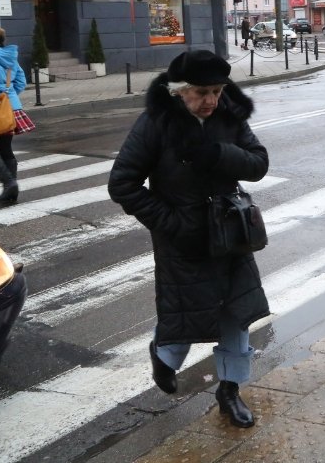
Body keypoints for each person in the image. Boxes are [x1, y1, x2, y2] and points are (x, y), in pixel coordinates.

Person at [108, 50, 270, 428]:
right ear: (180, 91)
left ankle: (229, 390)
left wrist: (219, 153)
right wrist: (171, 222)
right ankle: (163, 357)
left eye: (217, 91)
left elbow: (258, 162)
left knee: (236, 312)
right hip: (182, 239)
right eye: (202, 92)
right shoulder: (156, 123)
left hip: (230, 232)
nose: (212, 100)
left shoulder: (228, 113)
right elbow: (122, 184)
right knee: (185, 313)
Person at [0, 24, 33, 204]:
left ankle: (9, 184)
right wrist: (9, 97)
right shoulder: (9, 57)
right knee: (5, 150)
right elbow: (21, 81)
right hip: (10, 108)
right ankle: (11, 188)